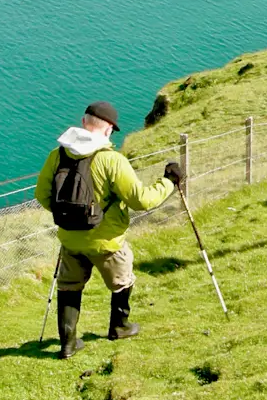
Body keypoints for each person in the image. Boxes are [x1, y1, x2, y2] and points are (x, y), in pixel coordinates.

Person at [35, 100, 181, 359]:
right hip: (107, 241)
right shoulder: (112, 160)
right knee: (122, 281)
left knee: (69, 286)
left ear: (83, 123)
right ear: (109, 130)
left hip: (70, 239)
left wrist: (69, 216)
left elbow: (42, 196)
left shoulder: (57, 155)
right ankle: (119, 327)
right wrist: (169, 182)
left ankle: (68, 344)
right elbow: (142, 200)